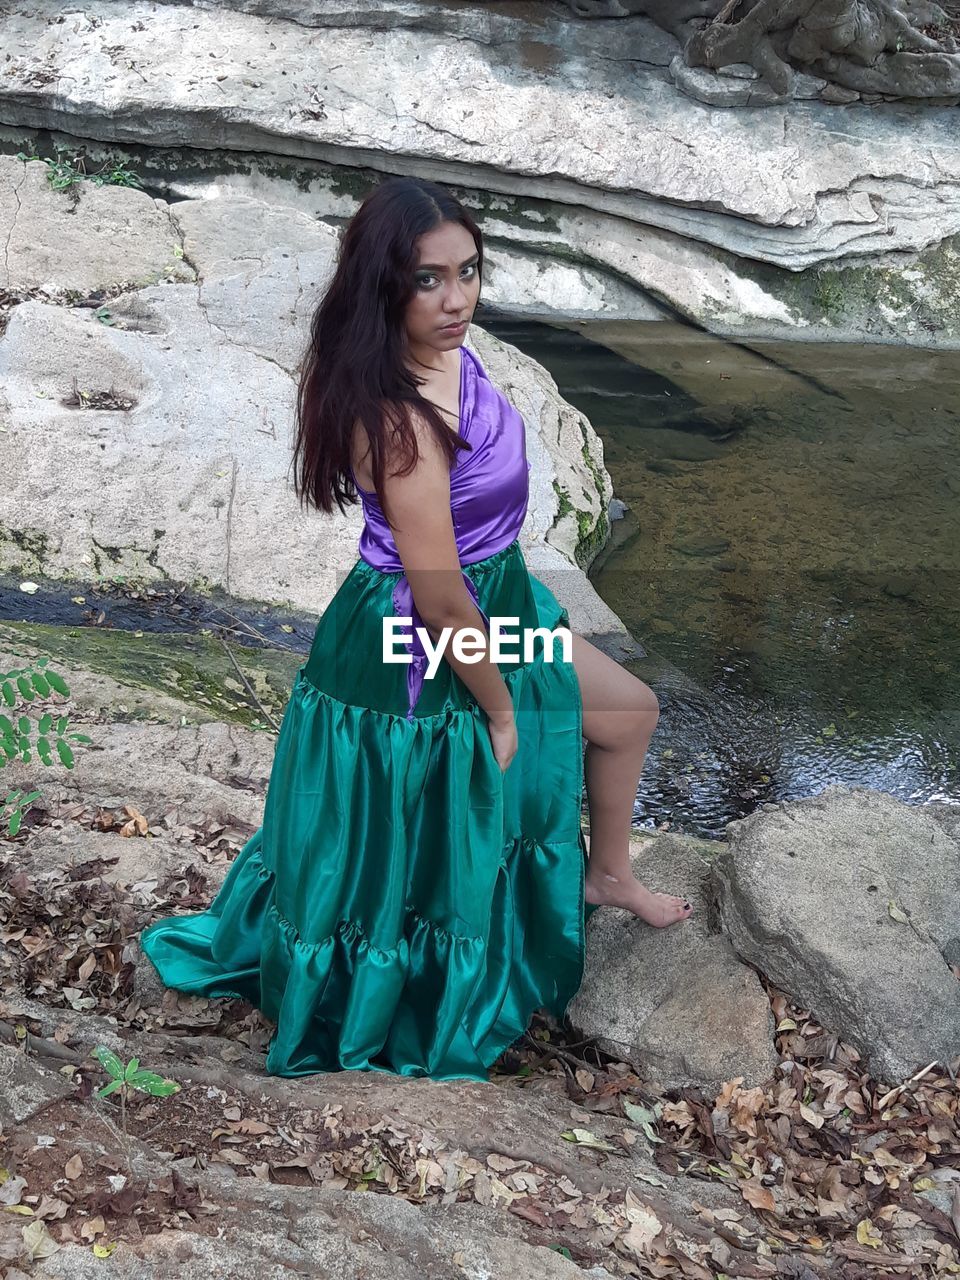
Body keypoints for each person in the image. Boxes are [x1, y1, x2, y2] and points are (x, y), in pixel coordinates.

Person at [139, 176, 692, 1082]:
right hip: (422, 636)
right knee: (430, 810)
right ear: (385, 287)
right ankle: (388, 987)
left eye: (468, 272)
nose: (457, 298)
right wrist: (504, 711)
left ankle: (607, 875)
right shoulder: (399, 420)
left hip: (493, 602)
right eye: (429, 280)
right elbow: (436, 601)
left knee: (626, 711)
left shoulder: (446, 356)